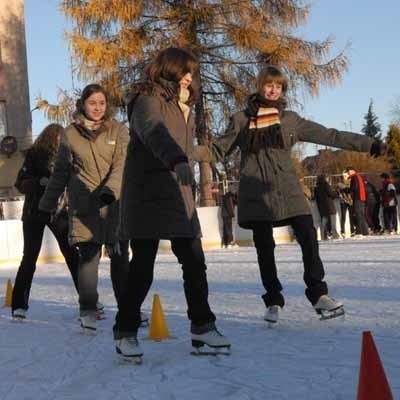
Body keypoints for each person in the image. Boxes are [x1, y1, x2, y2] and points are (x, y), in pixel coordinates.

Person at [210, 65, 383, 324]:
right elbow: (216, 150)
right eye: (269, 85)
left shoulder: (290, 120)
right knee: (264, 248)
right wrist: (181, 155)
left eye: (278, 86)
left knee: (307, 234)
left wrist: (367, 144)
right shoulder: (241, 120)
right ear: (260, 86)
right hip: (256, 192)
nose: (273, 90)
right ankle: (273, 300)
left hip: (288, 189)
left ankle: (318, 294)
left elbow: (329, 135)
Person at [115, 47, 230, 361]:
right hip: (146, 194)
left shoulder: (185, 107)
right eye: (184, 71)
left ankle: (202, 327)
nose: (189, 78)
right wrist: (177, 159)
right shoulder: (146, 100)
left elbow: (184, 146)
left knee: (194, 261)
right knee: (142, 268)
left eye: (192, 73)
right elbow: (155, 132)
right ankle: (125, 331)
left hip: (177, 195)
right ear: (168, 70)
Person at [39, 84, 130, 332]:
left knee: (120, 259)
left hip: (115, 205)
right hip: (84, 205)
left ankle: (128, 309)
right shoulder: (70, 135)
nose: (97, 108)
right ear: (82, 105)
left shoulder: (119, 131)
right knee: (89, 259)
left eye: (101, 103)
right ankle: (88, 309)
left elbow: (122, 166)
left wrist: (111, 191)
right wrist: (47, 203)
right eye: (92, 103)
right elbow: (60, 173)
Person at [11, 124, 79, 319]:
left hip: (58, 212)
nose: (60, 141)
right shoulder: (34, 155)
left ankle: (89, 300)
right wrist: (38, 182)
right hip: (34, 212)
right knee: (29, 257)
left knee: (72, 255)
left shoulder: (69, 156)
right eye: (57, 138)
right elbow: (20, 183)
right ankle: (19, 305)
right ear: (49, 138)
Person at [342, 167, 369, 236]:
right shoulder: (359, 176)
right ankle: (365, 231)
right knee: (362, 215)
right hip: (362, 198)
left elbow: (354, 187)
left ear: (352, 171)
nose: (348, 173)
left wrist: (347, 190)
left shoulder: (354, 177)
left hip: (358, 198)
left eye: (348, 172)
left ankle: (359, 232)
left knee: (358, 215)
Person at [314, 174, 339, 240]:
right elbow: (331, 193)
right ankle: (335, 235)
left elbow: (316, 198)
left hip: (322, 208)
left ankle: (323, 236)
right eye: (327, 178)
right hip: (330, 207)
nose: (327, 179)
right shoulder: (326, 185)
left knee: (324, 223)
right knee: (333, 222)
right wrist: (337, 194)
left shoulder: (316, 187)